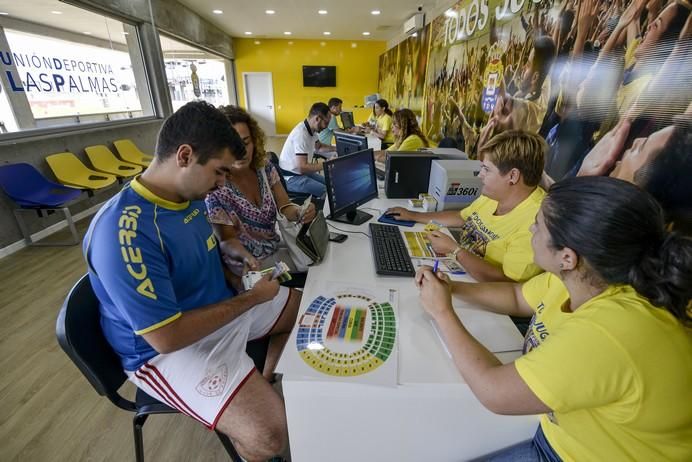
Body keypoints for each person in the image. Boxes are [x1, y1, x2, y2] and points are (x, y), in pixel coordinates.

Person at [416, 176, 692, 461]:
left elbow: (494, 391)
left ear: (568, 257)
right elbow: (517, 297)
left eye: (538, 224)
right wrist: (450, 289)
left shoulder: (612, 331)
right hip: (562, 434)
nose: (531, 228)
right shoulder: (590, 277)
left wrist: (442, 312)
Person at [83, 101, 299, 462]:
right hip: (166, 350)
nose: (222, 183)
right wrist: (251, 299)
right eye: (219, 172)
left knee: (311, 310)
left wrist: (229, 259)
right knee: (269, 435)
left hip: (217, 308)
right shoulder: (124, 232)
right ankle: (253, 398)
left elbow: (201, 252)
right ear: (184, 156)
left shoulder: (189, 196)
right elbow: (166, 337)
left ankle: (261, 378)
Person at [388, 130, 546, 283]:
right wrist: (413, 216)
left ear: (512, 176)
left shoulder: (537, 223)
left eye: (486, 169)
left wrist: (455, 251)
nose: (479, 175)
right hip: (460, 272)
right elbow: (461, 217)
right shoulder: (494, 194)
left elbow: (508, 283)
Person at [205, 105, 317, 278]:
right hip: (249, 267)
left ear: (254, 141)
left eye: (245, 142)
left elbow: (285, 207)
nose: (240, 152)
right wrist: (247, 258)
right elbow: (227, 240)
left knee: (318, 255)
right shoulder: (216, 188)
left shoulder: (264, 169)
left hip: (273, 246)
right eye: (231, 144)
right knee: (315, 266)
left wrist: (301, 212)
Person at [279, 102, 333, 197]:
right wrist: (328, 163)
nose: (326, 127)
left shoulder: (311, 129)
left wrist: (337, 148)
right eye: (326, 123)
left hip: (299, 172)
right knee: (328, 192)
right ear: (317, 119)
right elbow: (302, 167)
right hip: (291, 177)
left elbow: (319, 147)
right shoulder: (301, 134)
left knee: (331, 184)